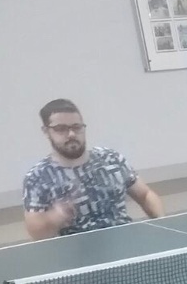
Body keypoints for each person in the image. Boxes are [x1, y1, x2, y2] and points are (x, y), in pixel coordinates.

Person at [22, 99, 164, 240]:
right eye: (61, 129)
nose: (71, 134)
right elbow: (36, 233)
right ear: (46, 131)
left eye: (77, 127)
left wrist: (163, 223)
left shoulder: (111, 158)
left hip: (124, 241)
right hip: (76, 250)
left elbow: (145, 195)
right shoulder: (37, 177)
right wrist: (56, 216)